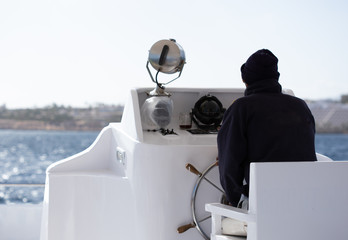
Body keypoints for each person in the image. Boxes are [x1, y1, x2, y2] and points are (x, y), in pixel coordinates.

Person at [217, 49, 317, 207]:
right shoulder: (301, 106)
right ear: (276, 77)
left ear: (245, 79)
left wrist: (235, 200)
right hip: (305, 201)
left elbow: (229, 166)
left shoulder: (241, 108)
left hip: (263, 205)